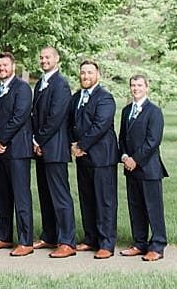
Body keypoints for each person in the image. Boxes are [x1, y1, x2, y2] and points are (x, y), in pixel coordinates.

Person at [31, 45, 76, 258]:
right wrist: (36, 141)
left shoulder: (61, 85)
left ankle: (67, 241)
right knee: (45, 194)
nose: (43, 60)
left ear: (56, 59)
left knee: (60, 196)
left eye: (47, 57)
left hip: (55, 149)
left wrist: (38, 139)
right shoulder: (41, 82)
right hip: (41, 149)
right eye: (41, 57)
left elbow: (56, 117)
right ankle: (49, 235)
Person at [70, 59, 118, 258]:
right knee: (87, 198)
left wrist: (81, 145)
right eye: (82, 72)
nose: (85, 76)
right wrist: (73, 145)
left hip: (101, 158)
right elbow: (70, 123)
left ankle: (106, 243)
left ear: (97, 75)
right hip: (83, 158)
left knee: (104, 201)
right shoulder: (76, 98)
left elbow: (100, 126)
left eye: (89, 72)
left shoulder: (105, 98)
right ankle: (91, 239)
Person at [118, 74, 168, 262]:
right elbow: (122, 137)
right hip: (130, 169)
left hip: (148, 169)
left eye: (139, 85)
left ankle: (157, 245)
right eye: (133, 85)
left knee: (153, 208)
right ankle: (139, 243)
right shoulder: (125, 111)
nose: (136, 88)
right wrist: (124, 156)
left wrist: (135, 160)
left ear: (147, 88)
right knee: (135, 207)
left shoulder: (154, 112)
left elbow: (153, 141)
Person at [0, 50, 35, 256]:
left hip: (17, 150)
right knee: (3, 196)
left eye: (5, 66)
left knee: (21, 196)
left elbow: (19, 117)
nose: (2, 69)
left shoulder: (23, 89)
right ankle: (4, 236)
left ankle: (26, 241)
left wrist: (0, 139)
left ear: (13, 67)